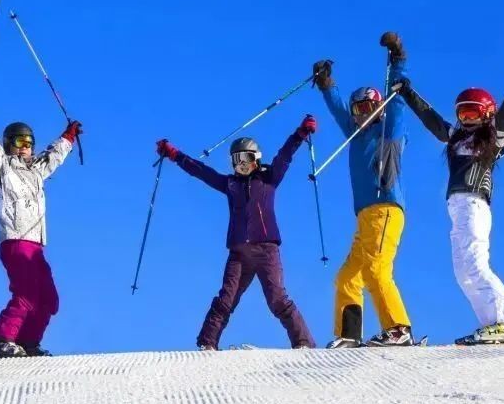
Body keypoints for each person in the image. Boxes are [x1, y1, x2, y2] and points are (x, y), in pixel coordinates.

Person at [397, 57, 504, 345]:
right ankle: (495, 325)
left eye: (474, 115)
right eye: (463, 115)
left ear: (486, 115)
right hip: (457, 207)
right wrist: (407, 93)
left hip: (474, 204)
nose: (467, 120)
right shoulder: (455, 138)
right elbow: (432, 120)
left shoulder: (493, 137)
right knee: (462, 271)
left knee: (475, 265)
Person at [155, 117, 319, 350]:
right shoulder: (230, 184)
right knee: (226, 298)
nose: (241, 164)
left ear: (256, 158)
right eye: (236, 160)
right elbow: (201, 171)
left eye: (246, 159)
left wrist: (301, 133)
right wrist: (174, 154)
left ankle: (303, 343)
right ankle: (207, 343)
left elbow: (285, 155)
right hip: (239, 252)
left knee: (277, 299)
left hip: (266, 250)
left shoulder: (268, 179)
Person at [312, 31, 413, 347]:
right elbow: (338, 109)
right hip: (366, 217)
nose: (361, 113)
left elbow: (396, 103)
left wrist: (398, 60)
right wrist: (327, 84)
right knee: (347, 277)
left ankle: (398, 328)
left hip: (385, 210)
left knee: (375, 269)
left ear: (379, 107)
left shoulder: (389, 133)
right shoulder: (355, 134)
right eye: (357, 110)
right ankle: (349, 334)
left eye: (368, 106)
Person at [0, 101, 81, 358]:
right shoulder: (2, 168)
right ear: (9, 144)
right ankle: (1, 339)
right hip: (15, 241)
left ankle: (28, 341)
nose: (25, 148)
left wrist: (68, 137)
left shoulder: (36, 171)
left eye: (29, 142)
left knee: (49, 299)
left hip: (36, 244)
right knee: (27, 293)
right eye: (19, 142)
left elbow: (53, 157)